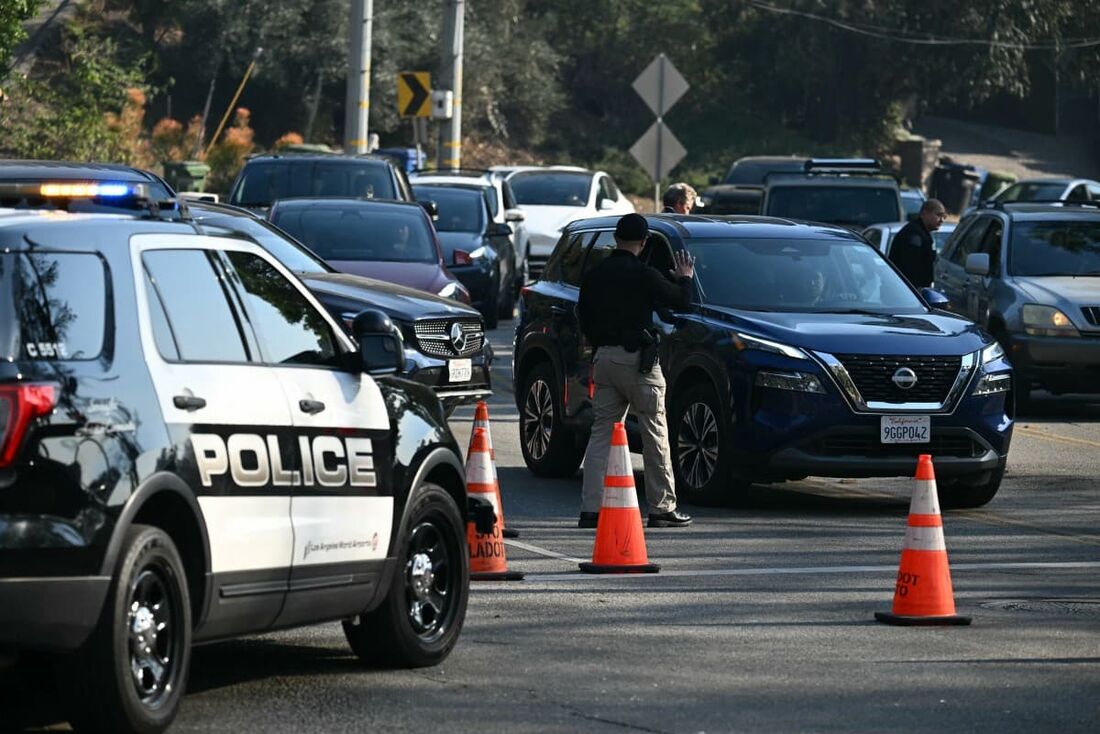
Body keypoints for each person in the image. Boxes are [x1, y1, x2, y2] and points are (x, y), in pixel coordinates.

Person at [576, 213, 695, 529]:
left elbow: (582, 315)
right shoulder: (645, 274)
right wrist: (684, 275)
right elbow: (681, 301)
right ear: (643, 243)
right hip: (638, 363)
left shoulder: (595, 274)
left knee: (602, 431)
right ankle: (662, 507)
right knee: (654, 431)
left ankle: (591, 509)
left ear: (615, 239)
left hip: (603, 359)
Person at [888, 198, 946, 288]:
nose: (942, 220)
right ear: (924, 213)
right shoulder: (913, 234)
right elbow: (911, 267)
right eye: (938, 215)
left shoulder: (923, 233)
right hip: (905, 290)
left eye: (944, 217)